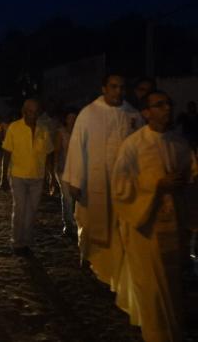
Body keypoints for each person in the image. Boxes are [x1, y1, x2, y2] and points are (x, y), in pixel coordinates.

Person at [112, 90, 197, 342]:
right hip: (146, 228)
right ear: (146, 112)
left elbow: (192, 177)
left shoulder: (179, 143)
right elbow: (121, 187)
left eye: (168, 104)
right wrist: (156, 185)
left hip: (174, 226)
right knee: (152, 289)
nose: (167, 109)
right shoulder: (133, 146)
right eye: (159, 105)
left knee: (173, 287)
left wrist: (183, 184)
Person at [62, 74, 142, 292]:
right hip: (95, 181)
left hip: (123, 185)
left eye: (122, 87)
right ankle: (92, 262)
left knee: (119, 229)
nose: (118, 91)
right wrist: (76, 180)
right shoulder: (89, 114)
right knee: (92, 225)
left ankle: (117, 276)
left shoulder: (131, 114)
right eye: (113, 87)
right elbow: (77, 147)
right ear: (104, 88)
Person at [1, 98, 54, 256]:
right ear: (24, 111)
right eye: (30, 111)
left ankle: (27, 241)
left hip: (37, 176)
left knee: (32, 211)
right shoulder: (14, 128)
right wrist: (3, 176)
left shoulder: (43, 129)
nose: (33, 115)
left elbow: (49, 153)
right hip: (18, 175)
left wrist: (50, 176)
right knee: (20, 209)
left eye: (36, 112)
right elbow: (7, 153)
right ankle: (17, 243)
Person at [54, 107, 78, 238]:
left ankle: (74, 221)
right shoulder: (61, 132)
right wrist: (54, 169)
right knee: (67, 197)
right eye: (70, 117)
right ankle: (68, 224)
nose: (72, 120)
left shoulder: (79, 132)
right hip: (63, 168)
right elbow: (57, 151)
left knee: (75, 197)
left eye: (74, 117)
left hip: (77, 169)